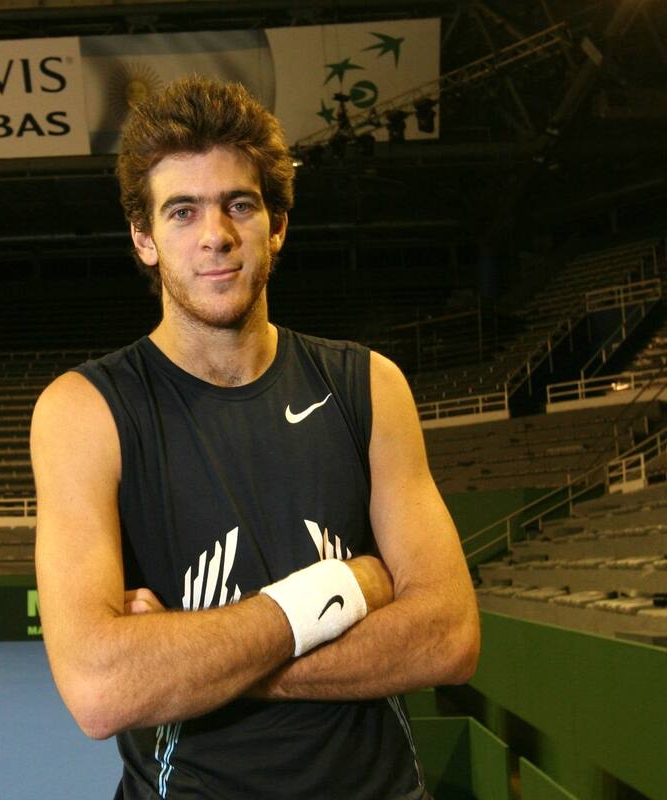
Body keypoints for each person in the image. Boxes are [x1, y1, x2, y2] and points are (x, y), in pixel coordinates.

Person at [30, 76, 479, 799]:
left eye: (239, 204)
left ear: (277, 224)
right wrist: (343, 591)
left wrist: (190, 659)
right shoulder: (85, 412)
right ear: (143, 238)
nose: (216, 235)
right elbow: (101, 688)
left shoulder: (369, 387)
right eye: (182, 212)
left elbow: (448, 637)